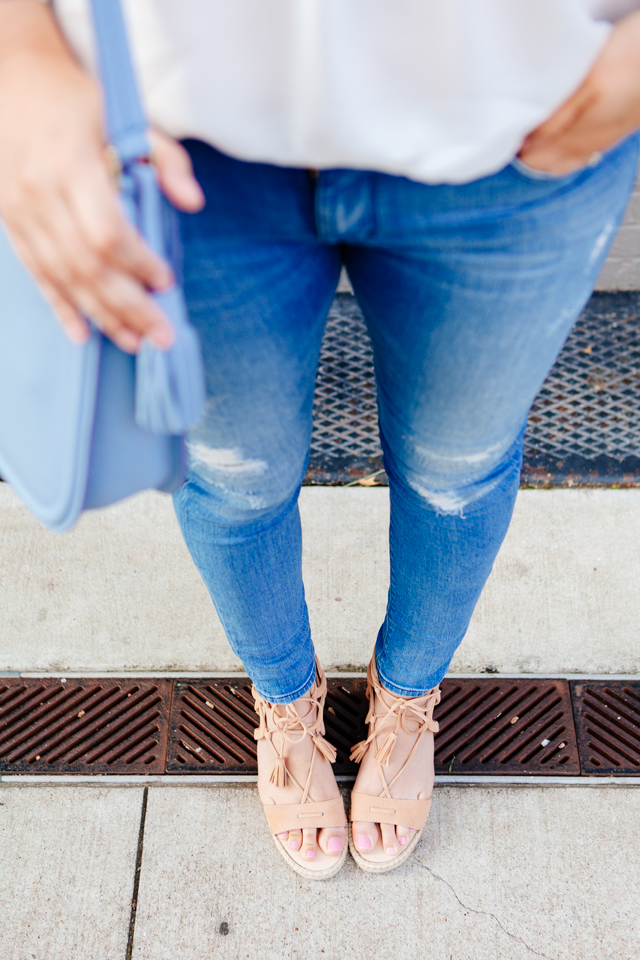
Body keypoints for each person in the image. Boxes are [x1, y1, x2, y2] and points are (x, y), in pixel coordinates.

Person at [1, 0, 640, 879]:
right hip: (175, 135)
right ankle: (285, 698)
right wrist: (18, 45)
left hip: (519, 128)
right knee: (232, 478)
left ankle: (408, 696)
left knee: (457, 470)